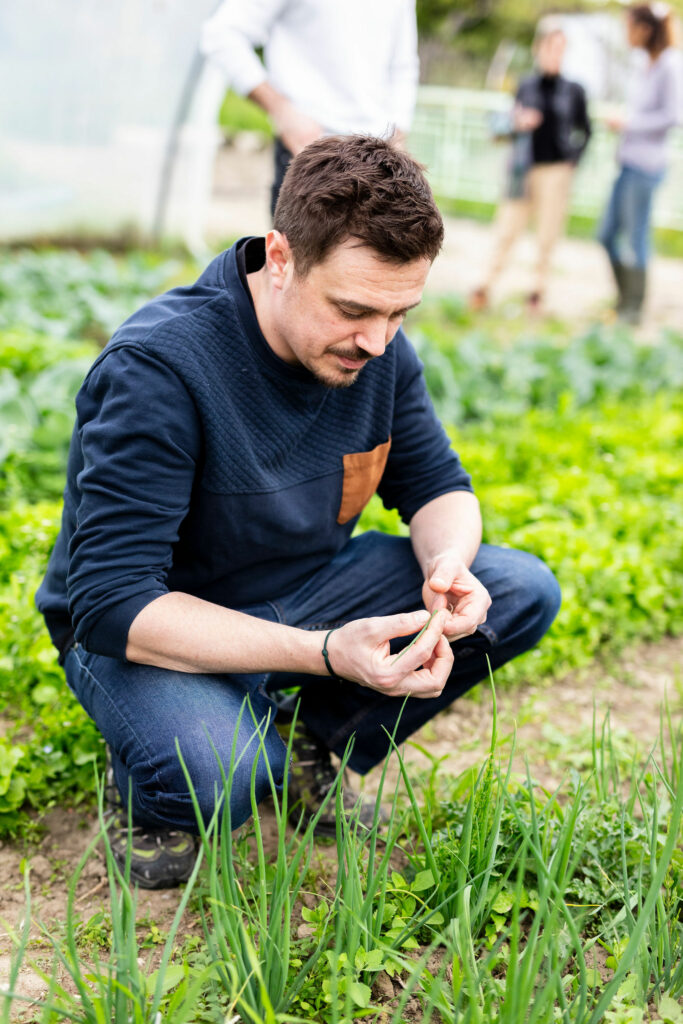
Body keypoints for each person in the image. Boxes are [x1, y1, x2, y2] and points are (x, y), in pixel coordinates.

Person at [36, 136, 561, 889]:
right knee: (225, 773)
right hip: (151, 626)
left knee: (515, 590)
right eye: (354, 310)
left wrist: (446, 564)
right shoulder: (161, 368)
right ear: (279, 258)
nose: (377, 341)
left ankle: (318, 740)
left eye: (399, 314)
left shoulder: (375, 349)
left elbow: (437, 484)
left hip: (306, 587)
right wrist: (319, 653)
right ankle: (152, 790)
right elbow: (114, 603)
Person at [200, 0, 418, 213]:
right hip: (309, 150)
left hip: (377, 158)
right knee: (301, 249)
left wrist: (397, 135)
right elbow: (221, 35)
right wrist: (282, 110)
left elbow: (403, 65)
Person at [471, 25, 592, 313]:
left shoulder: (575, 90)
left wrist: (573, 160)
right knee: (507, 228)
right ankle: (485, 285)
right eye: (551, 47)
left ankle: (537, 292)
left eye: (561, 49)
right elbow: (506, 124)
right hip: (522, 169)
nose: (555, 54)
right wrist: (520, 122)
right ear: (540, 49)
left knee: (548, 233)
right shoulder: (525, 85)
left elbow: (585, 131)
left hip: (556, 170)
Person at [599, 3, 681, 324]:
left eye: (629, 27)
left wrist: (629, 123)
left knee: (636, 238)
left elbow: (674, 116)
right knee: (606, 234)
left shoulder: (670, 64)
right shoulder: (643, 62)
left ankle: (633, 310)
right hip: (628, 161)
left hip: (647, 166)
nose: (626, 34)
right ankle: (625, 300)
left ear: (645, 29)